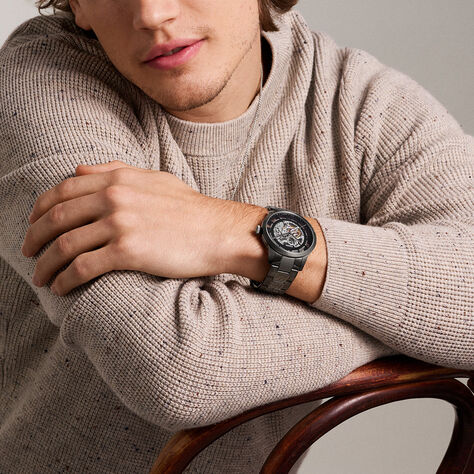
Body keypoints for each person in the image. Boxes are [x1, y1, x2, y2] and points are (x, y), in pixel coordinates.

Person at [0, 0, 472, 472]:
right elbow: (179, 370)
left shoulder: (360, 102)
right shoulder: (39, 86)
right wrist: (407, 320)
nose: (152, 15)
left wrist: (234, 229)